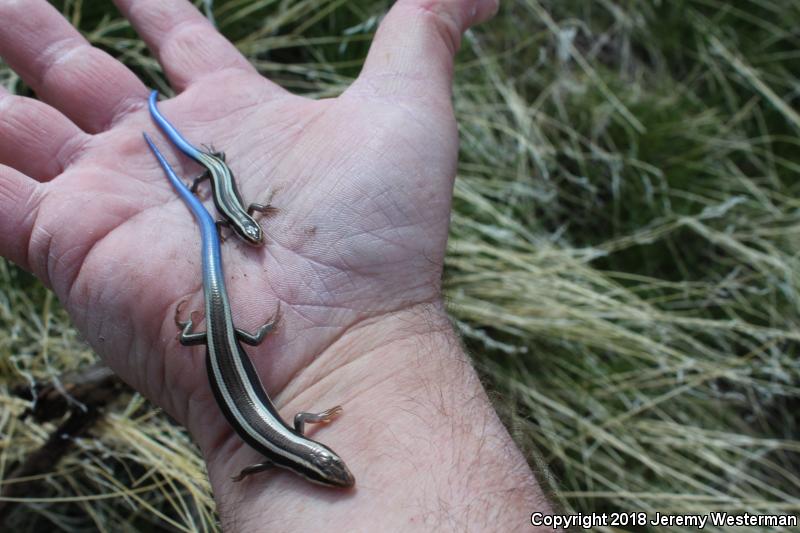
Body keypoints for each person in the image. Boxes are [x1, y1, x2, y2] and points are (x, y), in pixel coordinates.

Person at [0, 0, 551, 530]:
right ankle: (200, 261)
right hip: (221, 346)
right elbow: (284, 441)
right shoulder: (285, 449)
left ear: (313, 461)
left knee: (231, 318)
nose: (338, 473)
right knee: (226, 318)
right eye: (329, 466)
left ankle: (203, 266)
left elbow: (283, 443)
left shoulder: (283, 450)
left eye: (330, 471)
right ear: (311, 456)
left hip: (228, 349)